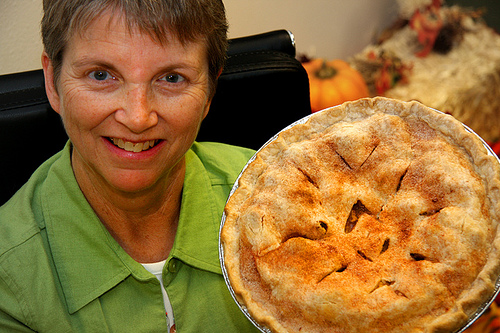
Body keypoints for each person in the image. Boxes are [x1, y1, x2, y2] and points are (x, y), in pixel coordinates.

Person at [0, 0, 260, 332]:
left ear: (209, 91)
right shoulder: (9, 282)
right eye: (101, 75)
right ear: (52, 83)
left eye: (171, 77)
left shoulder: (278, 196)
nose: (138, 118)